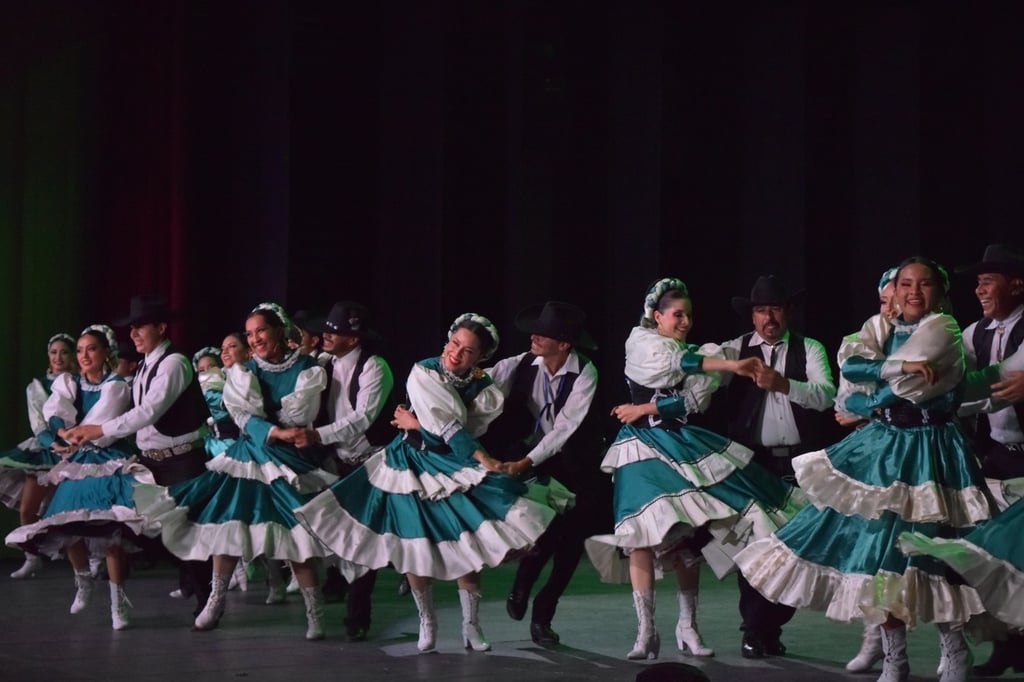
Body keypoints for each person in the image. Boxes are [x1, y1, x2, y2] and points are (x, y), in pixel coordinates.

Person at [735, 256, 994, 682]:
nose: (912, 292)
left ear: (939, 292)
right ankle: (893, 655)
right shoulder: (879, 326)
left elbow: (908, 389)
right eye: (905, 283)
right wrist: (888, 378)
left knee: (935, 551)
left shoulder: (943, 328)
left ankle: (953, 649)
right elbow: (852, 370)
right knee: (880, 556)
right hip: (884, 449)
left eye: (924, 284)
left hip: (930, 450)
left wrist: (872, 397)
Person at [294, 313, 558, 653]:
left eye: (468, 350)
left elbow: (460, 432)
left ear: (481, 358)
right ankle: (426, 622)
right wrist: (433, 432)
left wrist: (419, 424)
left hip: (451, 463)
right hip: (410, 463)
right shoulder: (424, 371)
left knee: (467, 542)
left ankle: (471, 625)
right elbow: (450, 429)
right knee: (414, 545)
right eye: (454, 343)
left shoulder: (485, 390)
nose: (456, 353)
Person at [590, 278, 802, 662]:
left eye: (688, 315)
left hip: (681, 443)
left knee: (686, 537)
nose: (685, 322)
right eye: (677, 315)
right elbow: (677, 365)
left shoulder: (701, 353)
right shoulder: (642, 343)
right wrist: (733, 364)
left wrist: (646, 408)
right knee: (641, 534)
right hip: (641, 447)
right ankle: (646, 631)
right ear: (657, 316)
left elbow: (690, 403)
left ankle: (687, 626)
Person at [133, 302, 334, 640]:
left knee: (296, 535)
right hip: (249, 457)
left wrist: (279, 430)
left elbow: (300, 415)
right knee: (228, 524)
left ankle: (315, 612)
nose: (255, 339)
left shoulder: (307, 368)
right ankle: (216, 599)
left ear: (279, 330)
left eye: (261, 331)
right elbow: (242, 415)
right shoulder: (243, 371)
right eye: (250, 334)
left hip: (288, 460)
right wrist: (273, 429)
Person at [912, 244, 1024, 678]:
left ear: (1017, 285)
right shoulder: (975, 333)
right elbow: (967, 386)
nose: (979, 289)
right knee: (996, 559)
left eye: (988, 281)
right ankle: (1009, 646)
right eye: (977, 282)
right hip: (996, 457)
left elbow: (996, 380)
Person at [63, 295, 214, 618]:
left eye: (140, 326)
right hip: (153, 460)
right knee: (138, 527)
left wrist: (98, 429)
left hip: (181, 461)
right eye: (131, 328)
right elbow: (136, 415)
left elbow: (148, 411)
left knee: (187, 532)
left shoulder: (174, 363)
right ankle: (191, 582)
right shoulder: (145, 365)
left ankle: (207, 599)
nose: (133, 333)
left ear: (161, 327)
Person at [718, 274, 838, 660]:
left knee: (798, 552)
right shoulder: (735, 349)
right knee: (754, 549)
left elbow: (827, 396)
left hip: (802, 462)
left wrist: (784, 384)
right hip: (754, 463)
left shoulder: (809, 348)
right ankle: (754, 630)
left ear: (787, 312)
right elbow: (700, 374)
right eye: (760, 310)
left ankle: (771, 626)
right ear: (751, 316)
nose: (768, 317)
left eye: (775, 309)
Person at [6, 325, 153, 630]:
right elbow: (55, 411)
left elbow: (101, 423)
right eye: (81, 350)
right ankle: (83, 580)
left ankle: (117, 602)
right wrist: (60, 431)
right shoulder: (69, 382)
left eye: (92, 349)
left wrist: (70, 434)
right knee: (66, 521)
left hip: (108, 458)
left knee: (111, 531)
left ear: (106, 352)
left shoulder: (117, 386)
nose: (85, 356)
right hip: (78, 459)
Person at [484, 300, 609, 647]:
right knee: (544, 532)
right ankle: (523, 583)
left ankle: (544, 614)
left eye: (543, 334)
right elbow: (482, 383)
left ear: (564, 344)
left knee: (570, 544)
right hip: (537, 457)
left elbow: (565, 429)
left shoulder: (585, 372)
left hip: (578, 462)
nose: (534, 337)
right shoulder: (521, 363)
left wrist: (526, 462)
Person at [290, 300, 396, 642]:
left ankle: (358, 613)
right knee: (332, 530)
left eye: (334, 332)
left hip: (370, 463)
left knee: (365, 537)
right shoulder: (324, 363)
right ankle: (336, 583)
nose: (325, 336)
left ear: (353, 338)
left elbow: (363, 418)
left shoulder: (374, 367)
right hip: (334, 461)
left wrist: (318, 435)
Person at [0, 333, 77, 578]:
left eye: (64, 352)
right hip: (46, 450)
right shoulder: (36, 387)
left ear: (72, 356)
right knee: (28, 509)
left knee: (78, 510)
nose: (58, 357)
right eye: (53, 352)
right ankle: (32, 557)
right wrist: (53, 444)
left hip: (78, 448)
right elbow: (38, 424)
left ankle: (93, 560)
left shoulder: (81, 382)